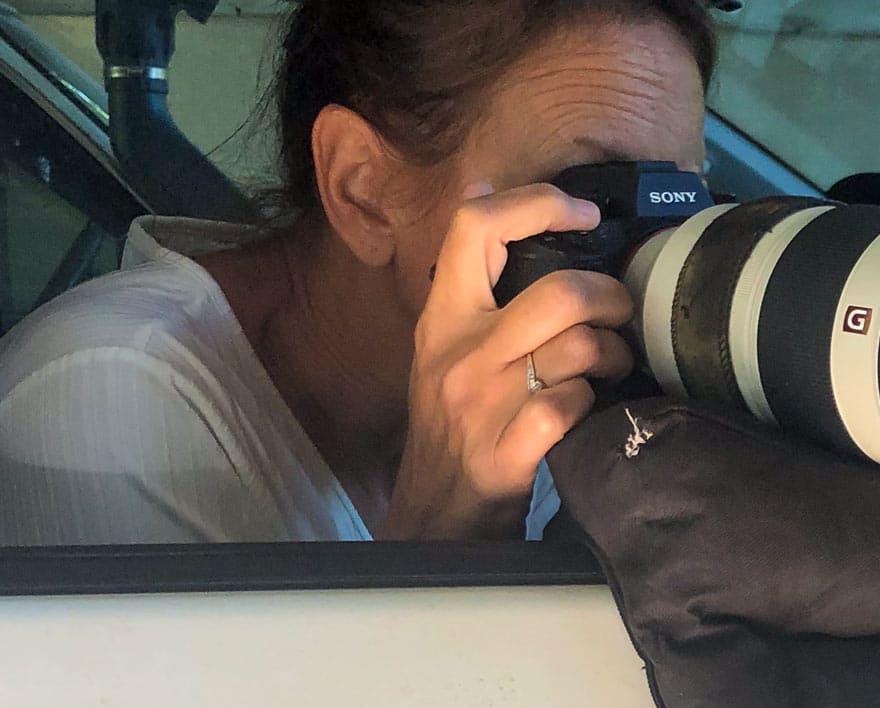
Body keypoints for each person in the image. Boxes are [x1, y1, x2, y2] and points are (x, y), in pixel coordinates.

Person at [0, 0, 715, 544]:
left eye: (681, 202)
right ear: (363, 188)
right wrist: (444, 541)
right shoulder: (106, 398)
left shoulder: (557, 382)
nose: (654, 256)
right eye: (598, 193)